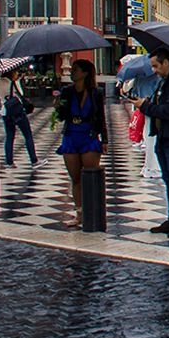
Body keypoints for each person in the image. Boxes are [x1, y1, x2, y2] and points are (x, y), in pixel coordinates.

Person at [129, 48, 169, 240]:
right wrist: (151, 102)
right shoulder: (166, 82)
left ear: (166, 62)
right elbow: (163, 106)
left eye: (156, 66)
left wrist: (146, 106)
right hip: (164, 136)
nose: (154, 70)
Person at [56, 60, 108, 227]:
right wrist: (58, 107)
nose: (72, 72)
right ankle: (79, 213)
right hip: (71, 135)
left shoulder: (96, 92)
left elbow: (101, 117)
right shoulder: (67, 91)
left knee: (91, 177)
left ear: (85, 73)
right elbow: (62, 116)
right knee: (75, 178)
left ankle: (93, 211)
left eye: (75, 70)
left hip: (89, 135)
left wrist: (105, 139)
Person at [0, 68, 43, 170]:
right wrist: (17, 81)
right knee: (27, 135)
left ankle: (9, 162)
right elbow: (20, 94)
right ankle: (34, 160)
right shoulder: (12, 83)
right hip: (17, 111)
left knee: (9, 137)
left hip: (5, 111)